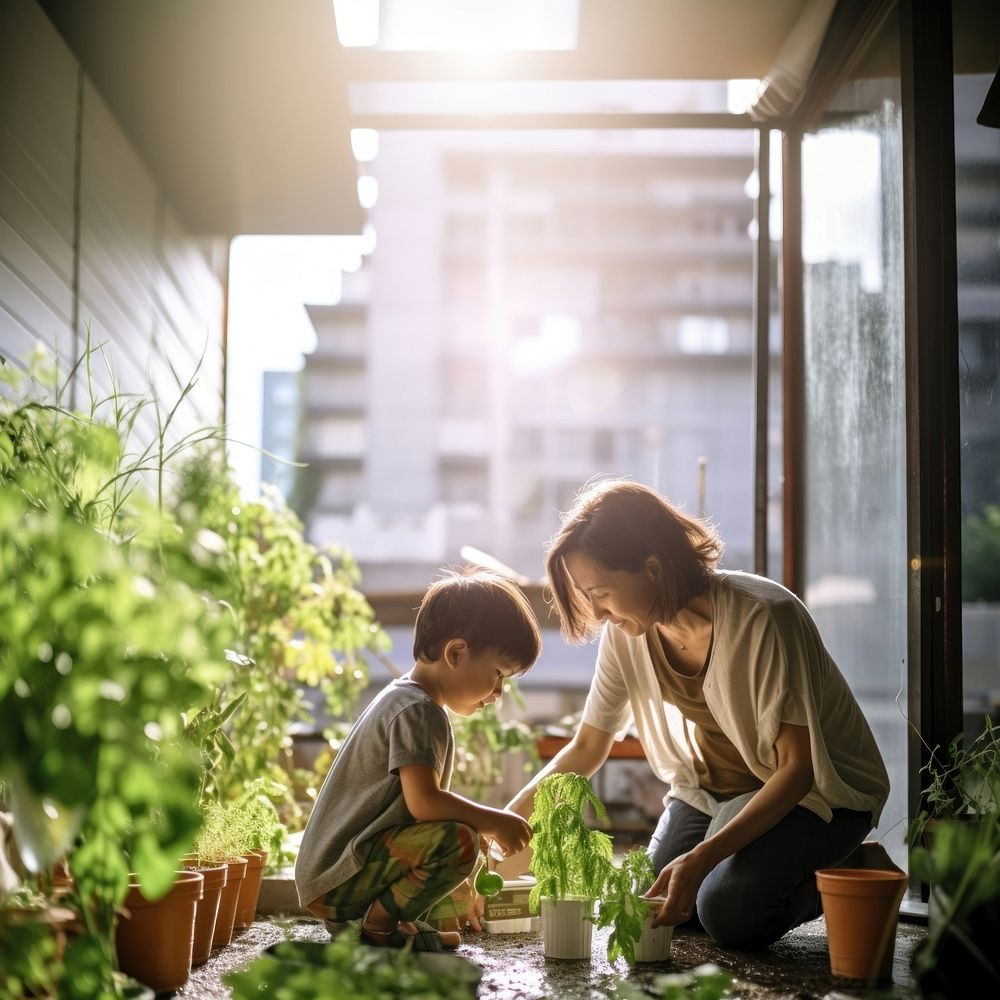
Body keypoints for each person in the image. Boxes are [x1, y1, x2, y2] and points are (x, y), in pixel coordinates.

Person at [506, 480, 890, 950]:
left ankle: (857, 871)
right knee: (661, 907)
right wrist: (507, 818)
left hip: (816, 798)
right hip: (708, 794)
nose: (598, 613)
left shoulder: (764, 617)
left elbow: (796, 771)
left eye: (601, 593)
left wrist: (705, 856)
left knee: (729, 914)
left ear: (652, 567)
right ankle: (738, 859)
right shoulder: (628, 636)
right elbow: (589, 745)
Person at [296, 570, 539, 951]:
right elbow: (425, 804)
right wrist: (495, 820)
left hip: (338, 872)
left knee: (461, 862)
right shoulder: (418, 711)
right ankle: (378, 928)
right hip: (340, 876)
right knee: (459, 841)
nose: (498, 693)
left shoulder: (406, 700)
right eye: (498, 674)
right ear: (456, 653)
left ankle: (375, 928)